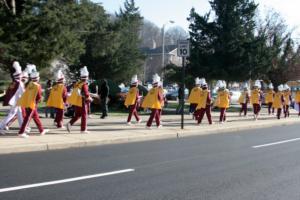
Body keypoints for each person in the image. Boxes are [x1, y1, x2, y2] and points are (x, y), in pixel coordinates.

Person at [18, 66, 49, 138]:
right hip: (32, 104)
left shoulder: (30, 84)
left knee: (36, 117)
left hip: (28, 103)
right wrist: (37, 102)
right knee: (27, 118)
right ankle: (21, 132)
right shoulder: (38, 85)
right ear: (38, 78)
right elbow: (38, 97)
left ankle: (41, 130)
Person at [0, 61, 25, 135]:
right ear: (19, 76)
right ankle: (1, 126)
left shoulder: (13, 82)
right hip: (16, 102)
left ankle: (22, 127)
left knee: (19, 114)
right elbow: (23, 93)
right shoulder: (19, 83)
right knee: (12, 114)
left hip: (15, 101)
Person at [66, 66, 92, 133]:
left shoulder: (78, 83)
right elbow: (86, 93)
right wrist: (89, 98)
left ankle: (70, 123)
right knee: (84, 115)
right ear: (87, 77)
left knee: (78, 115)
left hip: (77, 101)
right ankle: (83, 129)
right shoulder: (84, 84)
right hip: (82, 102)